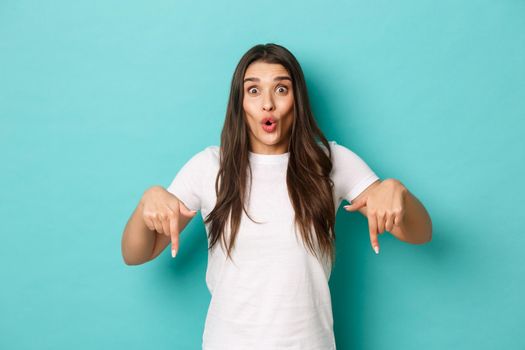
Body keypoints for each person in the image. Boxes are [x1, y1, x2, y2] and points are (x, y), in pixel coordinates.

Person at [121, 43, 432, 350]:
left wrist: (397, 193)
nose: (267, 103)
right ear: (239, 102)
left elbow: (420, 232)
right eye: (253, 91)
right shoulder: (209, 166)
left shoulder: (331, 162)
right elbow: (136, 253)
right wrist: (146, 203)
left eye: (281, 89)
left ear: (297, 100)